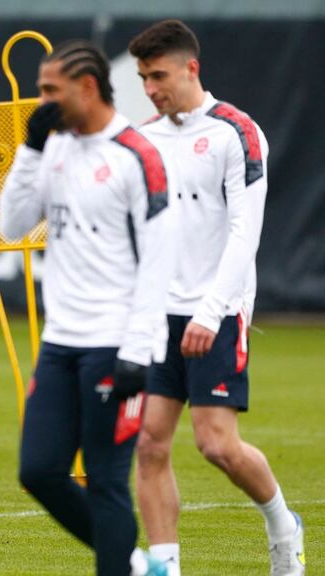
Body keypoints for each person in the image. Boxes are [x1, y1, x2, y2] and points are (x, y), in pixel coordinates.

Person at [130, 20, 304, 576]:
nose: (151, 88)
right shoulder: (144, 138)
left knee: (217, 446)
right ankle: (165, 566)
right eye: (142, 78)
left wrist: (211, 312)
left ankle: (282, 524)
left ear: (191, 68)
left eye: (158, 76)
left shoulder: (238, 132)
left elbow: (244, 232)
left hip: (219, 310)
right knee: (150, 446)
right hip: (159, 315)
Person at [0, 40, 176, 575]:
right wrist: (29, 150)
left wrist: (138, 350)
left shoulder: (136, 156)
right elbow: (10, 226)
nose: (42, 101)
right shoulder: (53, 146)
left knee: (105, 481)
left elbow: (159, 262)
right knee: (39, 470)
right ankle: (139, 566)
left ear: (88, 88)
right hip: (61, 344)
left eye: (51, 90)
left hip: (115, 345)